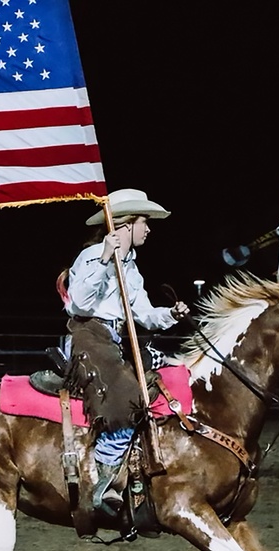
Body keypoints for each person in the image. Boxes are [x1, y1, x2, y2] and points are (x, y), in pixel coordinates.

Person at [62, 188, 189, 515]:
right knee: (130, 397)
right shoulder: (91, 256)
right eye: (144, 222)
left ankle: (138, 472)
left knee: (158, 383)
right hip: (90, 335)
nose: (148, 229)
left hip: (118, 338)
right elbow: (79, 303)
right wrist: (105, 258)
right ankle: (102, 480)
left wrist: (170, 315)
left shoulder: (132, 267)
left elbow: (144, 314)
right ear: (126, 224)